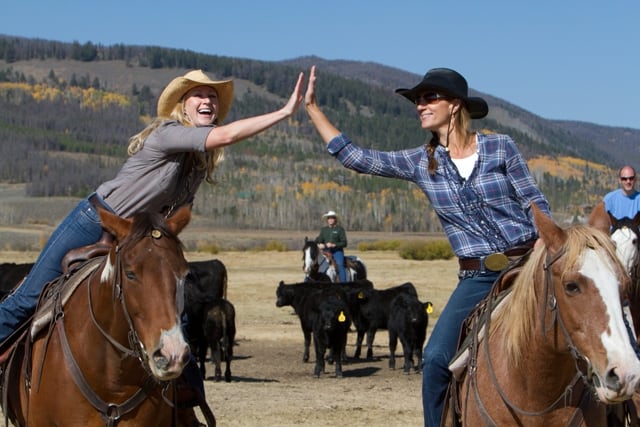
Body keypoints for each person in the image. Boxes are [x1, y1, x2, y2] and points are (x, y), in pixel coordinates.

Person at [0, 68, 304, 420]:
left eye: (213, 97)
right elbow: (225, 137)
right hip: (95, 220)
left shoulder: (195, 163)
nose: (207, 101)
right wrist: (283, 113)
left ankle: (187, 400)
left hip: (135, 238)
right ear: (182, 106)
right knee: (28, 298)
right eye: (198, 95)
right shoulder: (169, 135)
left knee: (174, 310)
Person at [304, 65, 551, 427]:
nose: (420, 105)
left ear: (455, 105)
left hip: (529, 264)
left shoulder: (500, 147)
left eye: (429, 97)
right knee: (435, 359)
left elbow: (535, 202)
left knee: (588, 334)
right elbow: (357, 158)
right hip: (477, 278)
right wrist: (312, 108)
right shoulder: (421, 162)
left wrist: (548, 248)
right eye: (418, 100)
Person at [315, 210, 348, 282]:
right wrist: (320, 244)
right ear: (327, 220)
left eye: (332, 218)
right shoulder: (324, 230)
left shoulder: (340, 229)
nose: (330, 219)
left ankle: (343, 284)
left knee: (340, 265)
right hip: (326, 251)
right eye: (329, 218)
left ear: (335, 219)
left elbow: (344, 243)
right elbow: (319, 240)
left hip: (337, 251)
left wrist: (334, 245)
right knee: (314, 264)